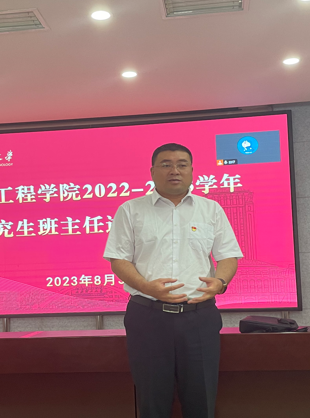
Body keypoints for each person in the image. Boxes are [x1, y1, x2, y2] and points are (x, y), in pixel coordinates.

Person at [103, 143, 243, 418]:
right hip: (148, 316)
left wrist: (221, 282)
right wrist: (146, 287)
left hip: (199, 316)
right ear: (152, 171)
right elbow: (118, 259)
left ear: (191, 170)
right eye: (166, 164)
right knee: (152, 401)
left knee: (201, 399)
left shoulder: (211, 209)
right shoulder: (131, 210)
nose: (174, 171)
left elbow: (228, 256)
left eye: (182, 164)